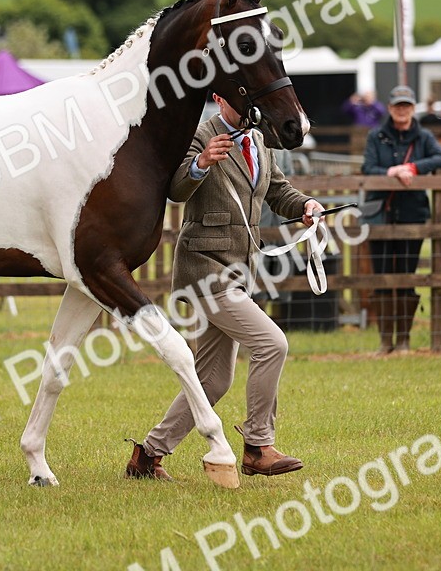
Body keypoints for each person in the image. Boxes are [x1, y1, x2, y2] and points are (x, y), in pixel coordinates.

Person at [126, 93, 324, 481]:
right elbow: (176, 189)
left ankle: (147, 458)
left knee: (214, 380)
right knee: (272, 343)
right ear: (218, 98)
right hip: (204, 270)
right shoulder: (200, 134)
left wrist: (306, 206)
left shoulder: (260, 138)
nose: (246, 105)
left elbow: (277, 191)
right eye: (235, 98)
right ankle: (257, 446)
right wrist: (200, 163)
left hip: (238, 271)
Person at [361, 86, 441, 353]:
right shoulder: (376, 136)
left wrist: (412, 167)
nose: (402, 110)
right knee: (383, 276)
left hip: (412, 213)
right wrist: (391, 171)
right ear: (390, 108)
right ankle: (385, 339)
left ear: (413, 109)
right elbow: (368, 168)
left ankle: (404, 339)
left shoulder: (423, 137)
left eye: (407, 106)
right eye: (398, 106)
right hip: (381, 214)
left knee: (407, 276)